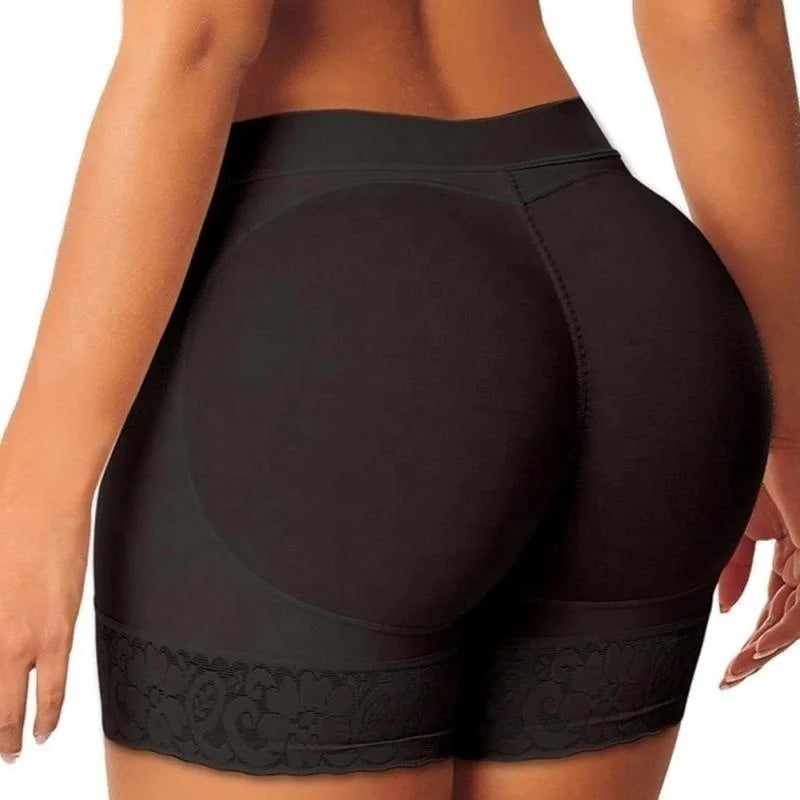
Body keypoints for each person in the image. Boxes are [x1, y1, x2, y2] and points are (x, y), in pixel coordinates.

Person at [0, 1, 797, 798]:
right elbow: (718, 18)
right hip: (630, 294)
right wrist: (791, 432)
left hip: (332, 321)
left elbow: (200, 33)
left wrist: (34, 494)